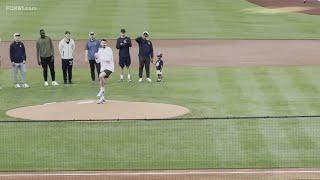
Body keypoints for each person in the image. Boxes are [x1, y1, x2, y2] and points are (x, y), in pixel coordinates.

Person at [95, 39, 114, 104]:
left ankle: (102, 90)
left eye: (105, 43)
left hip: (109, 68)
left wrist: (100, 57)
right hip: (103, 68)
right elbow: (98, 61)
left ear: (106, 44)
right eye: (102, 43)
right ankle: (102, 98)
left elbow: (108, 59)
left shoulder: (109, 50)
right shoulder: (99, 50)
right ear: (100, 44)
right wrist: (96, 57)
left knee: (100, 76)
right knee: (101, 81)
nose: (103, 44)